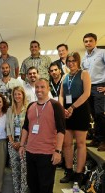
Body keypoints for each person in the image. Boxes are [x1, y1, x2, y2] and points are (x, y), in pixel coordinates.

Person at [19, 78, 65, 193]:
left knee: (45, 186)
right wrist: (21, 145)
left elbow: (61, 130)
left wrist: (58, 151)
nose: (39, 90)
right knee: (32, 184)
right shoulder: (31, 106)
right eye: (37, 87)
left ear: (48, 88)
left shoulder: (56, 106)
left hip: (47, 153)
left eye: (42, 87)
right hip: (30, 152)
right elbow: (25, 127)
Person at [59, 52, 91, 185]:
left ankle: (79, 173)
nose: (71, 63)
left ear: (78, 61)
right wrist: (63, 109)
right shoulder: (65, 76)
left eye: (73, 60)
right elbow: (61, 95)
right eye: (69, 61)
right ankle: (69, 171)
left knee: (80, 143)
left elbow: (87, 93)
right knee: (66, 144)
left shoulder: (84, 74)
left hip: (80, 109)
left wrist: (72, 107)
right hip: (66, 110)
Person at [81, 33, 105, 151]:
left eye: (90, 41)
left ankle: (104, 141)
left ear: (95, 42)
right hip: (88, 88)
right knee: (94, 115)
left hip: (99, 86)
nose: (88, 43)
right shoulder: (84, 57)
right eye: (86, 41)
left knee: (100, 113)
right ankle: (97, 138)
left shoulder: (102, 53)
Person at [6, 86, 28, 193]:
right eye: (15, 94)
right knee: (15, 171)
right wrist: (12, 142)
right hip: (12, 144)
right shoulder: (10, 110)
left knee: (24, 171)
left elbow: (30, 127)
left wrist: (21, 143)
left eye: (19, 94)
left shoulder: (28, 109)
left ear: (23, 95)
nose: (17, 96)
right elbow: (8, 127)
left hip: (24, 144)